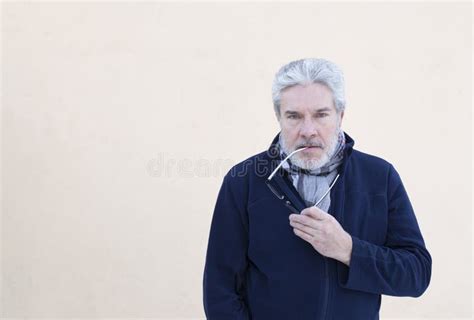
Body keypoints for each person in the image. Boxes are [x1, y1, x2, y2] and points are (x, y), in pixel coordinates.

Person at [202, 58, 432, 320]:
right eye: (294, 116)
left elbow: (417, 274)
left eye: (321, 114)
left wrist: (348, 250)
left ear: (340, 115)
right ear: (279, 117)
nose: (308, 130)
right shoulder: (243, 181)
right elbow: (220, 291)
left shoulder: (380, 177)